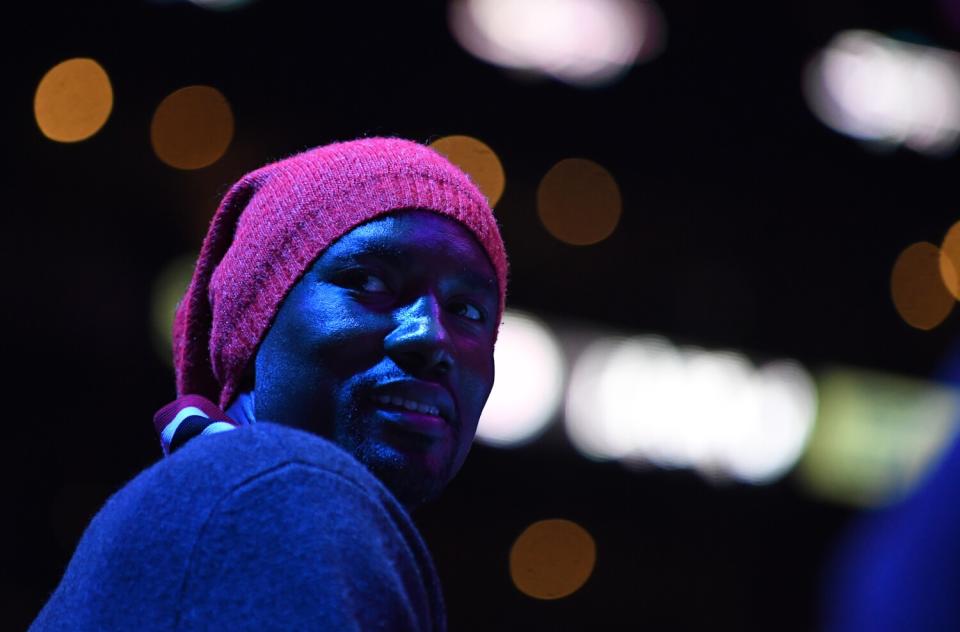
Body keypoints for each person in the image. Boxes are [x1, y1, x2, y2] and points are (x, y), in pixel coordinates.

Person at [30, 137, 509, 631]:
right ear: (254, 321)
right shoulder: (275, 493)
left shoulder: (230, 499)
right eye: (368, 282)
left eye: (467, 311)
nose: (431, 335)